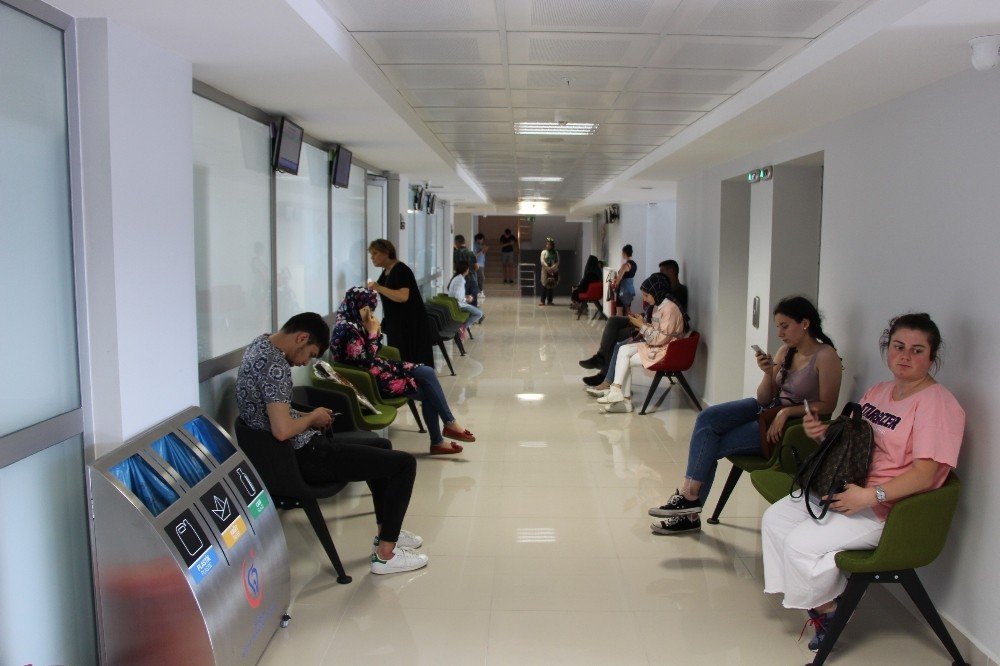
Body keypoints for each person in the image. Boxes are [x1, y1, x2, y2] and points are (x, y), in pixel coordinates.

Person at [761, 313, 964, 652]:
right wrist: (823, 434)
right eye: (898, 346)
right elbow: (855, 443)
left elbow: (926, 474)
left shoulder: (937, 405)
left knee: (798, 544)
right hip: (848, 487)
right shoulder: (879, 392)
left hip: (888, 510)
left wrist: (870, 496)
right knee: (775, 520)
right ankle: (823, 603)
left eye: (917, 350)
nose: (905, 356)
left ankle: (831, 611)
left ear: (932, 357)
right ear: (887, 348)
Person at [235, 312, 427, 575]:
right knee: (404, 465)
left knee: (382, 447)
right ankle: (386, 555)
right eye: (310, 354)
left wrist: (307, 417)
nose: (305, 362)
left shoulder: (259, 346)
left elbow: (271, 412)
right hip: (305, 458)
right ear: (302, 338)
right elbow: (282, 430)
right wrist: (312, 417)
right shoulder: (276, 366)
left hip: (286, 456)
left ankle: (386, 533)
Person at [647, 296, 842, 536]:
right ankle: (689, 500)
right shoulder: (785, 352)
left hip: (792, 425)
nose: (779, 333)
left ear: (804, 323)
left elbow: (828, 404)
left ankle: (688, 508)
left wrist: (787, 412)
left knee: (712, 443)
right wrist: (768, 373)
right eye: (777, 326)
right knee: (707, 418)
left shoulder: (826, 356)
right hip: (769, 410)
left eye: (785, 326)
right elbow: (763, 398)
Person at [331, 287, 476, 456]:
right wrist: (372, 333)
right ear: (357, 305)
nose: (370, 312)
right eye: (367, 308)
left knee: (427, 372)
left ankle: (447, 428)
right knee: (430, 392)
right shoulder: (348, 329)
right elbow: (365, 361)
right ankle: (441, 436)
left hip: (379, 368)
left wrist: (375, 332)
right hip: (370, 380)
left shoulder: (354, 321)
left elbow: (375, 351)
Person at [590, 273, 685, 413]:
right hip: (657, 345)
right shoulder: (659, 306)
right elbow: (656, 332)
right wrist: (643, 323)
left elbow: (660, 338)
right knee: (623, 349)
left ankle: (623, 399)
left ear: (656, 292)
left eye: (646, 295)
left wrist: (641, 325)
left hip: (667, 350)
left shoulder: (669, 309)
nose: (644, 299)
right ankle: (617, 391)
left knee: (625, 359)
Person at [366, 239, 434, 367]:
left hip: (410, 325)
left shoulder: (401, 270)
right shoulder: (386, 272)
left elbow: (403, 296)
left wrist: (379, 288)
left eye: (375, 253)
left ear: (386, 252)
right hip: (397, 325)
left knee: (411, 361)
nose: (372, 258)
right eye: (371, 254)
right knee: (400, 360)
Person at [447, 260, 484, 326]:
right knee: (479, 313)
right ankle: (463, 327)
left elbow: (457, 294)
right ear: (466, 270)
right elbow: (457, 297)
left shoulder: (457, 278)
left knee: (479, 310)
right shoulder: (460, 280)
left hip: (457, 303)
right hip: (458, 305)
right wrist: (467, 299)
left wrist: (466, 296)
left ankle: (463, 326)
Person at [610, 245, 638, 316]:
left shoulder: (625, 265)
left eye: (622, 253)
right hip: (630, 289)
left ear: (625, 253)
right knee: (628, 309)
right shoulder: (634, 264)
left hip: (623, 290)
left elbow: (619, 278)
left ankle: (620, 323)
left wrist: (615, 286)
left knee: (619, 310)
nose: (622, 254)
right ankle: (629, 322)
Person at [453, 235, 479, 306]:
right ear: (464, 242)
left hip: (461, 280)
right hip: (472, 279)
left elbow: (455, 268)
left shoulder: (455, 253)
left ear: (457, 242)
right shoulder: (470, 253)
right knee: (473, 301)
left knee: (463, 302)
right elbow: (476, 267)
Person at [539, 237, 559, 306]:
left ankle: (550, 301)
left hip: (553, 271)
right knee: (544, 285)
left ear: (552, 245)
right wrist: (548, 268)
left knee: (551, 286)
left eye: (549, 244)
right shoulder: (544, 252)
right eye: (547, 244)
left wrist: (552, 268)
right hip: (545, 271)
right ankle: (542, 301)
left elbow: (557, 262)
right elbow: (542, 261)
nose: (547, 245)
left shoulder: (555, 253)